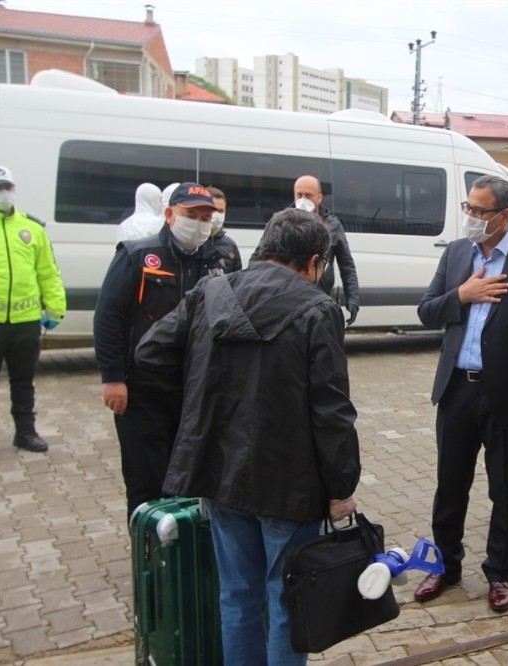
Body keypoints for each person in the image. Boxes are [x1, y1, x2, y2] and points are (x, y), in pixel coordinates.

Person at [135, 208, 359, 665]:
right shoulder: (318, 308)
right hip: (289, 480)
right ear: (313, 262)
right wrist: (342, 486)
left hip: (220, 471)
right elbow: (332, 410)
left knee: (237, 594)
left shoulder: (211, 291)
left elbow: (150, 352)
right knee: (287, 599)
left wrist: (204, 396)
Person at [414, 175, 508, 613]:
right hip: (457, 390)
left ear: (503, 216)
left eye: (480, 211)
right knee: (450, 486)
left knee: (507, 492)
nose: (471, 217)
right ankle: (446, 566)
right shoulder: (458, 253)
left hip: (507, 400)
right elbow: (426, 311)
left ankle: (499, 572)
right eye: (469, 208)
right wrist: (463, 294)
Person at [93, 183, 224, 520]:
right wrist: (112, 378)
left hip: (193, 393)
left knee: (190, 483)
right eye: (191, 215)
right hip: (142, 392)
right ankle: (148, 548)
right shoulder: (137, 255)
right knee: (146, 484)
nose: (198, 224)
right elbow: (109, 317)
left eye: (205, 217)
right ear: (169, 214)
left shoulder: (216, 262)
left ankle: (184, 547)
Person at [0, 165, 66, 463]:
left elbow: (48, 271)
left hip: (26, 322)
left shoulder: (32, 228)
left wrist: (55, 308)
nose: (3, 193)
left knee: (24, 381)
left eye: (7, 187)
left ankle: (25, 432)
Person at [252, 175, 360, 325]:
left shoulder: (332, 225)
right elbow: (258, 258)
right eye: (299, 195)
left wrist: (353, 299)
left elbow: (346, 265)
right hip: (286, 299)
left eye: (308, 195)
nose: (303, 199)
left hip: (320, 299)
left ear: (319, 197)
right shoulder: (281, 223)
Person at [207, 186, 242, 273]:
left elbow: (237, 277)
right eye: (213, 210)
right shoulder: (194, 243)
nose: (217, 215)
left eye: (221, 211)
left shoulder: (230, 245)